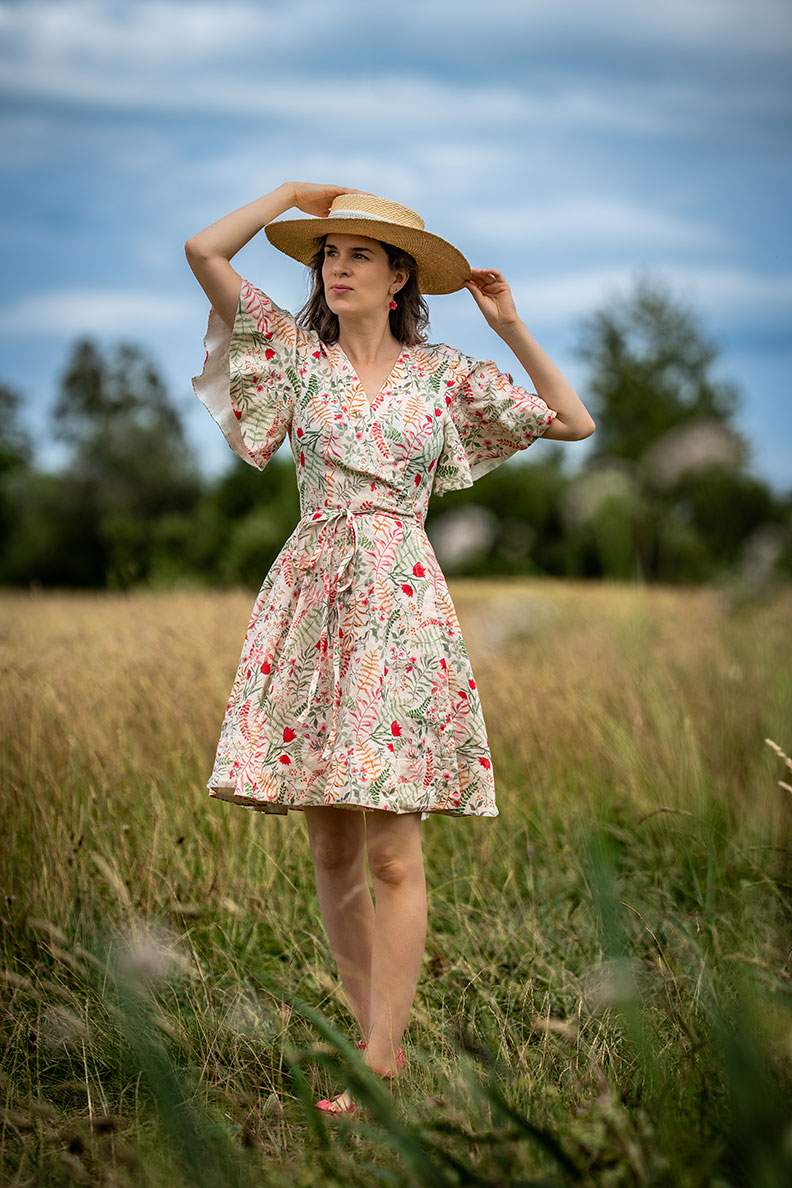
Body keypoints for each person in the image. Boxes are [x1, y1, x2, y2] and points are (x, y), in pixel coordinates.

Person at [185, 182, 595, 1116]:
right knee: (331, 849)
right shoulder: (297, 359)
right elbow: (205, 253)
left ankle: (379, 1057)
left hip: (401, 605)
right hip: (313, 596)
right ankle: (372, 1041)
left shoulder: (444, 372)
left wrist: (512, 326)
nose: (336, 266)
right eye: (327, 252)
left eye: (358, 254)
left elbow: (572, 421)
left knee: (394, 854)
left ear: (399, 275)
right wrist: (292, 196)